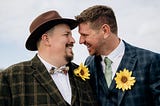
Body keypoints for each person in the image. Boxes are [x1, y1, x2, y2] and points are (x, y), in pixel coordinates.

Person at [0, 10, 98, 106]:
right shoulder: (11, 77)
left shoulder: (83, 75)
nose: (73, 40)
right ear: (46, 39)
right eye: (66, 34)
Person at [75, 5, 160, 106]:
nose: (80, 41)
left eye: (85, 35)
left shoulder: (150, 61)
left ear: (105, 30)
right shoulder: (89, 64)